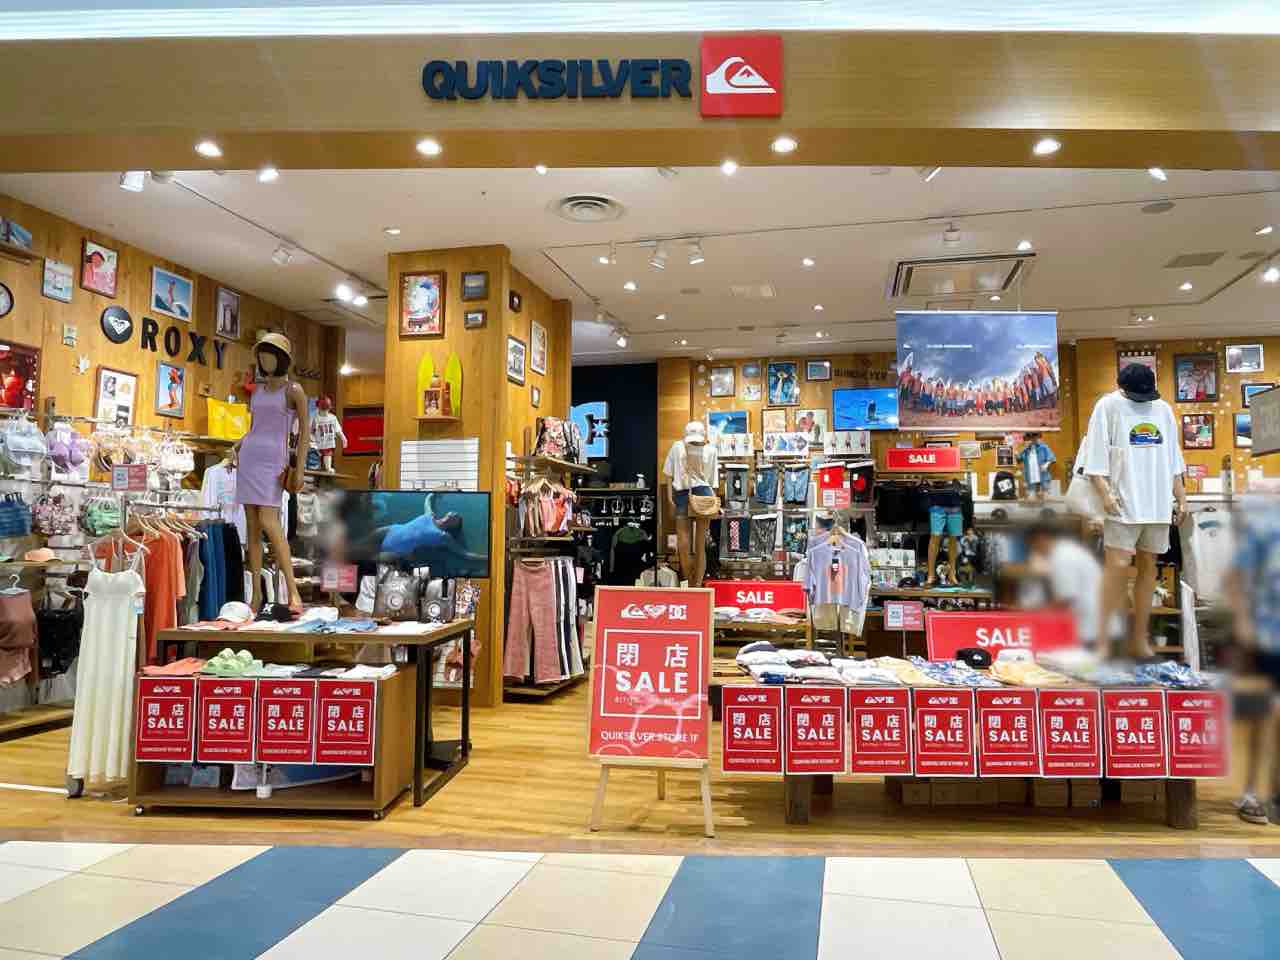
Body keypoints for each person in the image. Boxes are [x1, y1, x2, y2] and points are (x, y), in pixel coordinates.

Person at [1082, 362, 1186, 657]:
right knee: (1116, 569)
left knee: (1149, 567)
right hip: (1122, 503)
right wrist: (1105, 494)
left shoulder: (1163, 410)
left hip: (1157, 503)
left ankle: (1139, 639)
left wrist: (1182, 497)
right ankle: (1104, 640)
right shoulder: (1107, 406)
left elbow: (1173, 459)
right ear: (1121, 388)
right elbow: (1095, 457)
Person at [231, 332, 309, 613]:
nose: (265, 360)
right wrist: (238, 444)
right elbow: (255, 428)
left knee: (269, 521)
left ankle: (294, 592)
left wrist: (299, 469)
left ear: (282, 359)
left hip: (273, 461)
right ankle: (255, 596)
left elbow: (305, 433)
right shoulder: (258, 391)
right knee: (252, 526)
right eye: (261, 355)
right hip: (249, 458)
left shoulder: (294, 391)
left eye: (270, 355)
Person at [1226, 486, 1280, 824]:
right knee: (1264, 714)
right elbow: (1234, 579)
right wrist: (1244, 624)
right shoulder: (1265, 530)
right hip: (1268, 636)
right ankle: (1254, 791)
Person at [1025, 521, 1103, 646]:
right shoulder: (1068, 550)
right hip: (1096, 621)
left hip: (1090, 627)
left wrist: (1036, 612)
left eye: (1033, 545)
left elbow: (1066, 598)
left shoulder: (1061, 557)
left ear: (1041, 539)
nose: (1035, 550)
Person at [663, 420, 718, 587]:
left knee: (683, 543)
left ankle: (688, 584)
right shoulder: (711, 449)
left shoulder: (677, 446)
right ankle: (697, 585)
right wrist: (714, 500)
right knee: (700, 544)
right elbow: (712, 481)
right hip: (703, 495)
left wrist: (670, 498)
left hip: (682, 494)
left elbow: (668, 474)